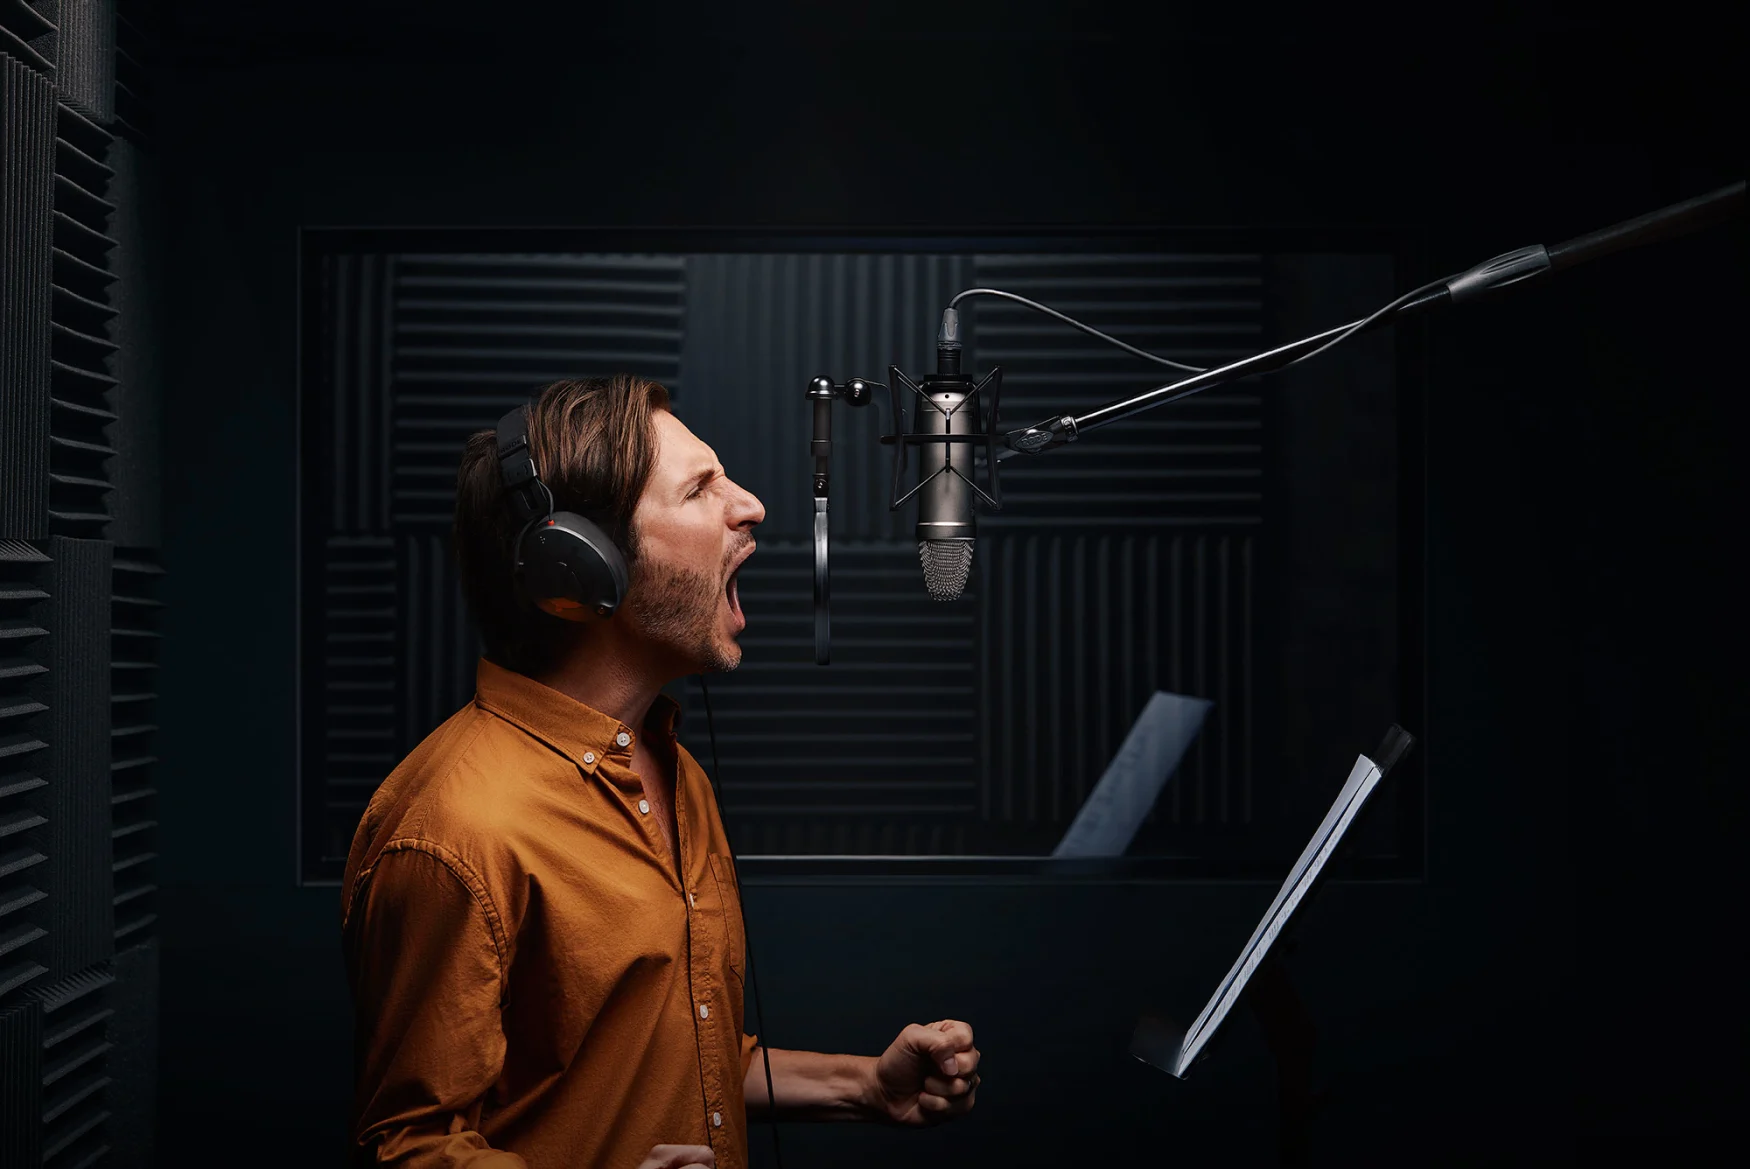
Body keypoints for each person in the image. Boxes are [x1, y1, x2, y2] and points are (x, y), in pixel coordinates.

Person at [340, 375, 980, 1168]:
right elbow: (407, 1148)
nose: (750, 506)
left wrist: (864, 1087)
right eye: (701, 489)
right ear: (579, 566)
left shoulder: (676, 777)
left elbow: (672, 1056)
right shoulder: (454, 834)